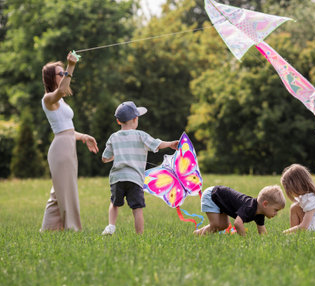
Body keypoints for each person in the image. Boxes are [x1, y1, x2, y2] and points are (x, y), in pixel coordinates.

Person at [41, 52, 99, 232]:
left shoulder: (62, 103)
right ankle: (72, 229)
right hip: (60, 148)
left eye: (64, 73)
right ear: (51, 78)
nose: (64, 75)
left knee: (58, 193)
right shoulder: (49, 99)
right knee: (67, 190)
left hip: (67, 144)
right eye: (61, 73)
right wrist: (71, 67)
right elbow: (62, 90)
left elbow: (67, 129)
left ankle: (48, 230)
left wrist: (83, 137)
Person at [101, 101, 178, 235]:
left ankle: (111, 226)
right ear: (135, 119)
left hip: (117, 178)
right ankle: (139, 235)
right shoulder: (141, 135)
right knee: (137, 208)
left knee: (114, 203)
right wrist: (170, 144)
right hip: (135, 179)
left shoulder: (113, 137)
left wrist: (118, 155)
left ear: (118, 121)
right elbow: (157, 144)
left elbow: (105, 158)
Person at [193, 185, 285, 236]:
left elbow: (262, 232)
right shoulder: (250, 207)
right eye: (275, 210)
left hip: (221, 200)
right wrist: (245, 240)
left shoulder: (260, 214)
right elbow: (237, 223)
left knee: (224, 225)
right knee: (216, 224)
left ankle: (197, 234)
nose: (276, 214)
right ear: (265, 204)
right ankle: (201, 238)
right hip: (213, 195)